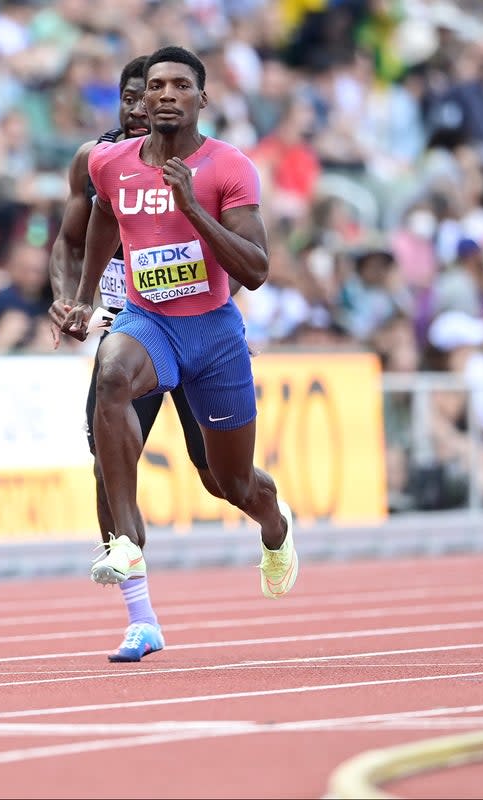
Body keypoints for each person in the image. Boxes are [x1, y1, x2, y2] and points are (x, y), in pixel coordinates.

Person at [62, 46, 298, 622]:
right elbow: (99, 224)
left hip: (214, 332)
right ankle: (126, 539)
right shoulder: (109, 163)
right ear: (142, 98)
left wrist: (193, 206)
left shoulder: (228, 166)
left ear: (201, 98)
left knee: (230, 482)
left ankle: (275, 524)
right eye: (157, 86)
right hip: (147, 321)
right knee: (113, 373)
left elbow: (258, 270)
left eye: (181, 86)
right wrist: (81, 300)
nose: (167, 94)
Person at [49, 55, 233, 663]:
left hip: (196, 328)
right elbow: (70, 243)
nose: (141, 108)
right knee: (108, 460)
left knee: (216, 476)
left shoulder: (199, 165)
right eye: (132, 98)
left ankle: (256, 501)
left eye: (150, 95)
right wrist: (70, 301)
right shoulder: (96, 163)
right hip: (133, 328)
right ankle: (139, 615)